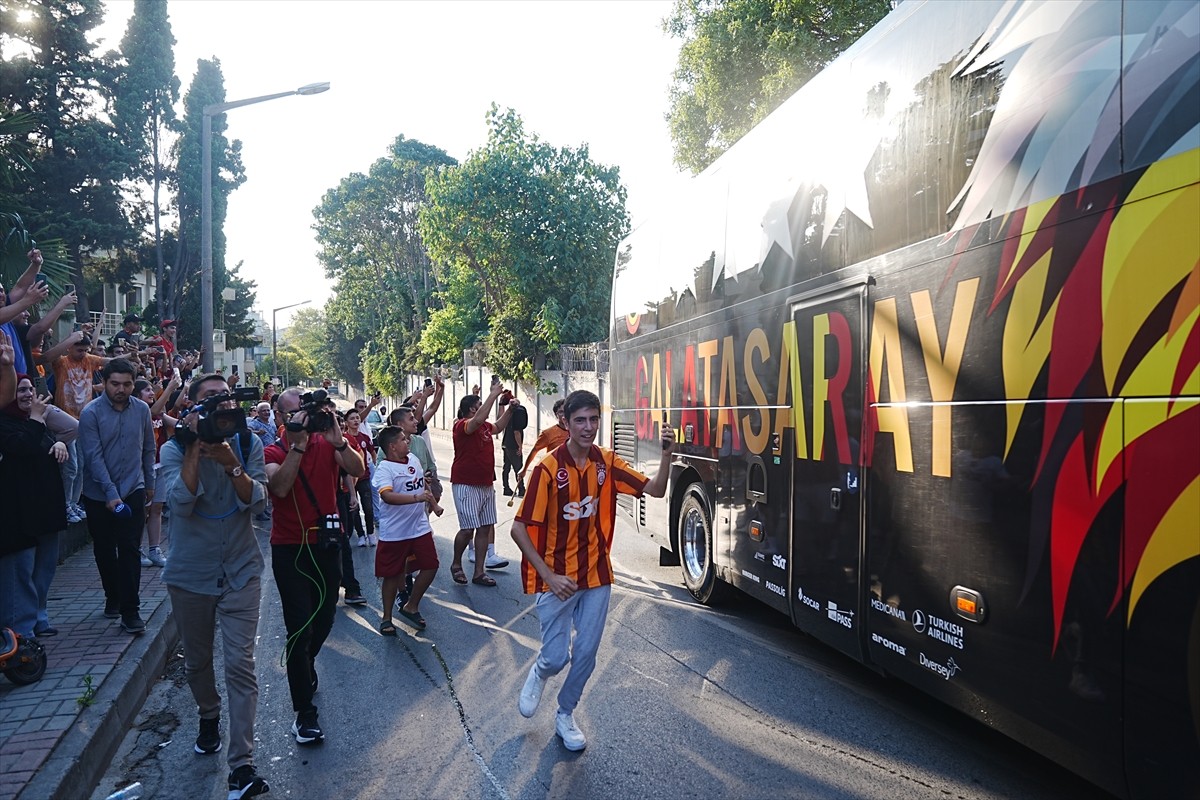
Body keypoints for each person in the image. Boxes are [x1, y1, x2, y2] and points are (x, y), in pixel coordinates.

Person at [509, 390, 674, 751]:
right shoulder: (548, 469)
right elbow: (518, 529)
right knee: (556, 657)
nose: (588, 427)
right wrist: (550, 576)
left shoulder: (607, 463)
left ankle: (565, 714)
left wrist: (666, 455)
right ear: (566, 423)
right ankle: (540, 671)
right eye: (580, 420)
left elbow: (656, 490)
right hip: (557, 580)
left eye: (594, 419)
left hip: (597, 575)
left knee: (586, 652)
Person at [157, 373, 270, 798]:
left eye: (225, 397)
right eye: (210, 397)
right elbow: (181, 505)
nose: (221, 403)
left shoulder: (246, 444)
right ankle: (208, 713)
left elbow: (256, 500)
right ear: (193, 405)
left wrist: (229, 462)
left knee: (241, 665)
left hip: (241, 570)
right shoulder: (172, 448)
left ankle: (241, 766)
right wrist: (193, 451)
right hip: (191, 575)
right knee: (197, 663)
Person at [264, 387, 364, 745]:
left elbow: (358, 469)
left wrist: (339, 442)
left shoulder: (329, 443)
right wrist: (298, 445)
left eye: (310, 410)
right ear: (282, 418)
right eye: (297, 412)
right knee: (298, 628)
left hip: (326, 545)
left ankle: (305, 664)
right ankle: (304, 714)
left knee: (324, 619)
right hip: (290, 548)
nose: (306, 417)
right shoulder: (274, 449)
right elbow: (278, 486)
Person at [77, 358, 156, 634]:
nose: (121, 389)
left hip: (132, 487)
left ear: (133, 384)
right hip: (99, 493)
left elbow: (148, 447)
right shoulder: (91, 413)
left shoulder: (142, 410)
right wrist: (111, 494)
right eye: (115, 384)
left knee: (131, 549)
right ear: (105, 383)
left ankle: (131, 610)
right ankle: (113, 595)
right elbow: (93, 457)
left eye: (127, 384)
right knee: (104, 549)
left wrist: (149, 482)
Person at [0, 357, 70, 642]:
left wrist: (60, 442)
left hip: (47, 508)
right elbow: (23, 447)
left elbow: (52, 439)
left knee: (44, 568)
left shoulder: (36, 421)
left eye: (30, 389)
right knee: (21, 574)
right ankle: (22, 633)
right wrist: (37, 419)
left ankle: (39, 616)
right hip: (21, 514)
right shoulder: (8, 423)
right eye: (20, 390)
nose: (28, 394)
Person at [449, 380, 519, 586]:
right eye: (479, 404)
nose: (482, 408)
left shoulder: (484, 426)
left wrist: (510, 410)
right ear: (472, 408)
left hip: (486, 483)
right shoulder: (462, 425)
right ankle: (455, 564)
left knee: (485, 528)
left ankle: (479, 572)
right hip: (466, 483)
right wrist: (493, 395)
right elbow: (477, 422)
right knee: (468, 529)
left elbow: (497, 426)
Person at [372, 427, 439, 634]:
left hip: (419, 527)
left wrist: (433, 504)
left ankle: (412, 605)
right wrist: (416, 499)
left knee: (431, 565)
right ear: (392, 447)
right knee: (391, 575)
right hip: (395, 532)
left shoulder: (413, 460)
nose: (407, 441)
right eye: (403, 439)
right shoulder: (385, 468)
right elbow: (387, 496)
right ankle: (387, 617)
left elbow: (422, 486)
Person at [40, 328, 110, 524]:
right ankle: (64, 504)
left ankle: (73, 502)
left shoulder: (89, 360)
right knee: (71, 467)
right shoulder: (61, 362)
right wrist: (69, 337)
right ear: (70, 348)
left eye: (86, 350)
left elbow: (109, 362)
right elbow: (48, 356)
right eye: (80, 350)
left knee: (82, 466)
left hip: (85, 422)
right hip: (67, 423)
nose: (84, 354)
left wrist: (133, 356)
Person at [520, 399, 569, 485]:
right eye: (561, 412)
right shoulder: (548, 433)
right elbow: (534, 450)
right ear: (556, 415)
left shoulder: (576, 431)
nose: (564, 415)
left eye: (566, 411)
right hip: (554, 473)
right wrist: (524, 470)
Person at [499, 390, 528, 498]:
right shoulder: (519, 413)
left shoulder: (509, 414)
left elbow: (500, 418)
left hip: (505, 443)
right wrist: (520, 447)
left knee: (506, 467)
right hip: (513, 445)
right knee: (518, 468)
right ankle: (521, 489)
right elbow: (517, 432)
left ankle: (506, 488)